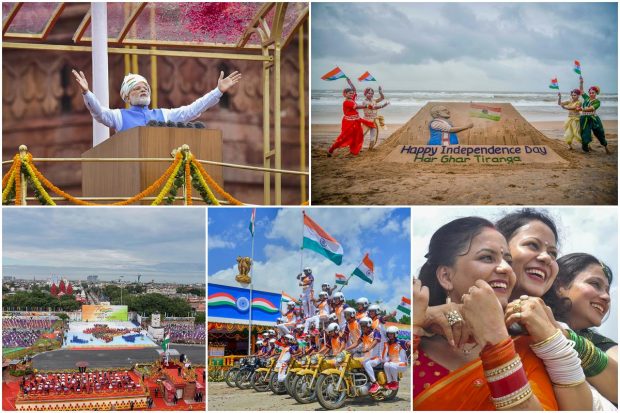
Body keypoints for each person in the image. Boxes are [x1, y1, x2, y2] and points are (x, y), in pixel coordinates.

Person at [413, 217, 592, 410]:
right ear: (446, 276)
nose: (506, 269)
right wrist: (420, 321)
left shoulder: (532, 342)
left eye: (508, 260)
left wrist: (496, 343)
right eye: (487, 258)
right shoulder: (416, 347)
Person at [73, 69, 242, 134]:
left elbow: (192, 110)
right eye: (137, 88)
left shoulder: (163, 114)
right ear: (127, 96)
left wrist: (218, 91)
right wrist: (87, 93)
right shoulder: (118, 116)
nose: (143, 90)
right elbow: (99, 113)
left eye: (145, 87)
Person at [327, 77, 375, 156]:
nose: (352, 94)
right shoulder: (346, 102)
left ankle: (354, 151)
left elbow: (354, 89)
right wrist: (366, 106)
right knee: (343, 138)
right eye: (350, 93)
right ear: (345, 94)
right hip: (349, 123)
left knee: (358, 136)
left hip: (356, 121)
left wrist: (350, 83)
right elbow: (357, 107)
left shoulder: (351, 98)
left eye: (352, 93)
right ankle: (331, 150)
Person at [346, 316, 382, 393]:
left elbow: (375, 341)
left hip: (376, 357)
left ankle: (375, 383)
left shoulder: (375, 332)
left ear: (369, 325)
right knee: (353, 363)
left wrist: (368, 348)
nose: (362, 328)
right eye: (361, 326)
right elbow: (356, 343)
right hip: (367, 357)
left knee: (366, 363)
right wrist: (347, 349)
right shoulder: (363, 335)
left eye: (364, 326)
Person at [578, 76, 611, 154]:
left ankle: (605, 146)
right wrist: (581, 82)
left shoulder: (597, 102)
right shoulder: (586, 98)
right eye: (590, 93)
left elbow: (591, 108)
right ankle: (586, 150)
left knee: (600, 133)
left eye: (593, 93)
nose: (591, 94)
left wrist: (582, 109)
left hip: (593, 119)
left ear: (596, 93)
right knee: (585, 134)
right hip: (584, 118)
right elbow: (581, 90)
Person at [381, 325, 408, 391]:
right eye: (389, 334)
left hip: (403, 364)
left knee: (392, 365)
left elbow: (408, 343)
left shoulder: (401, 342)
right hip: (393, 363)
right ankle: (389, 382)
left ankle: (395, 382)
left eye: (391, 334)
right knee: (386, 364)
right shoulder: (387, 343)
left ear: (395, 334)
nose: (390, 335)